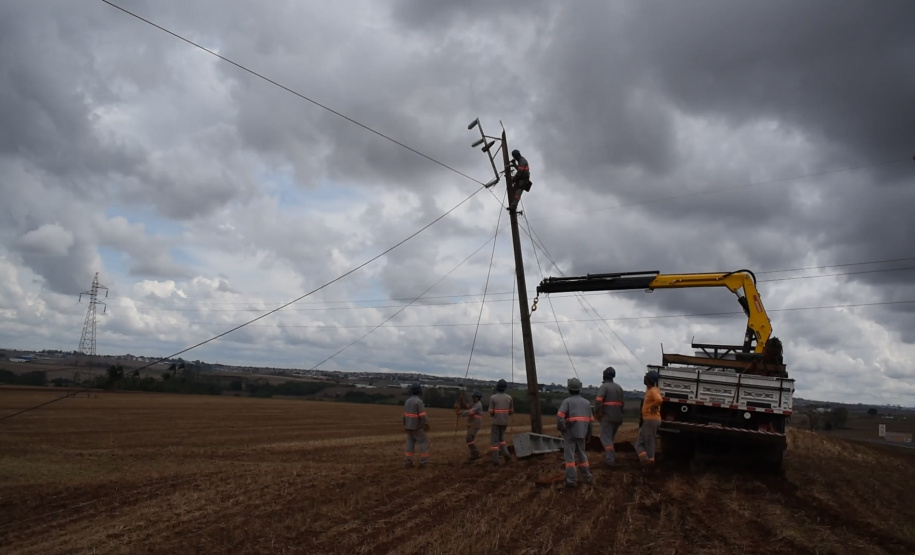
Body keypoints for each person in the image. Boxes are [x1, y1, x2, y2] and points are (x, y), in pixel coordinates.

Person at [557, 377, 594, 488]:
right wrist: (589, 434)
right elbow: (591, 421)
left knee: (570, 458)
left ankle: (572, 480)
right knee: (582, 455)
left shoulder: (567, 401)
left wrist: (562, 429)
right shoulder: (587, 403)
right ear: (580, 388)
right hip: (582, 432)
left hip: (570, 433)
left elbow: (559, 417)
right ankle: (587, 477)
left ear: (569, 389)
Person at [595, 366, 625, 467]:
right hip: (617, 417)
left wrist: (597, 413)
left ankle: (610, 461)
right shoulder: (619, 387)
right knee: (610, 439)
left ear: (605, 375)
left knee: (606, 439)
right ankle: (611, 458)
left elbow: (598, 401)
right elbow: (622, 404)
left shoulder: (604, 387)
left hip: (607, 417)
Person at [636, 370, 663, 470]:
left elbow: (659, 400)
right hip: (648, 420)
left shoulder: (653, 391)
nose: (644, 378)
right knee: (639, 443)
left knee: (649, 444)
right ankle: (646, 462)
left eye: (646, 377)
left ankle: (649, 465)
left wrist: (652, 407)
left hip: (651, 420)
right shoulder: (650, 390)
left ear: (649, 380)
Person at [403, 382, 430, 468]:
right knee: (424, 443)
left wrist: (405, 425)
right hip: (417, 427)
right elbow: (422, 415)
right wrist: (426, 423)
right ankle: (424, 463)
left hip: (408, 427)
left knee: (410, 444)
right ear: (419, 391)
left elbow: (404, 415)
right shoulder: (419, 402)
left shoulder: (407, 401)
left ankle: (408, 462)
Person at [488, 379, 514, 466]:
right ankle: (506, 455)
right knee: (501, 439)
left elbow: (491, 412)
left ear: (497, 387)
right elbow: (511, 412)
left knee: (494, 442)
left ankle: (495, 461)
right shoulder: (509, 398)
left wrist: (495, 415)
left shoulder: (493, 397)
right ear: (505, 388)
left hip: (496, 422)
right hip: (504, 422)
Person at [457, 390, 484, 462]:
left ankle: (475, 453)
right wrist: (461, 400)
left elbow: (470, 412)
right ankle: (474, 454)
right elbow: (466, 406)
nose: (473, 398)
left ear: (478, 398)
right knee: (470, 438)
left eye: (475, 397)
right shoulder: (474, 404)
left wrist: (461, 413)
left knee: (469, 437)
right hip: (472, 423)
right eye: (473, 397)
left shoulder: (478, 405)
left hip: (476, 424)